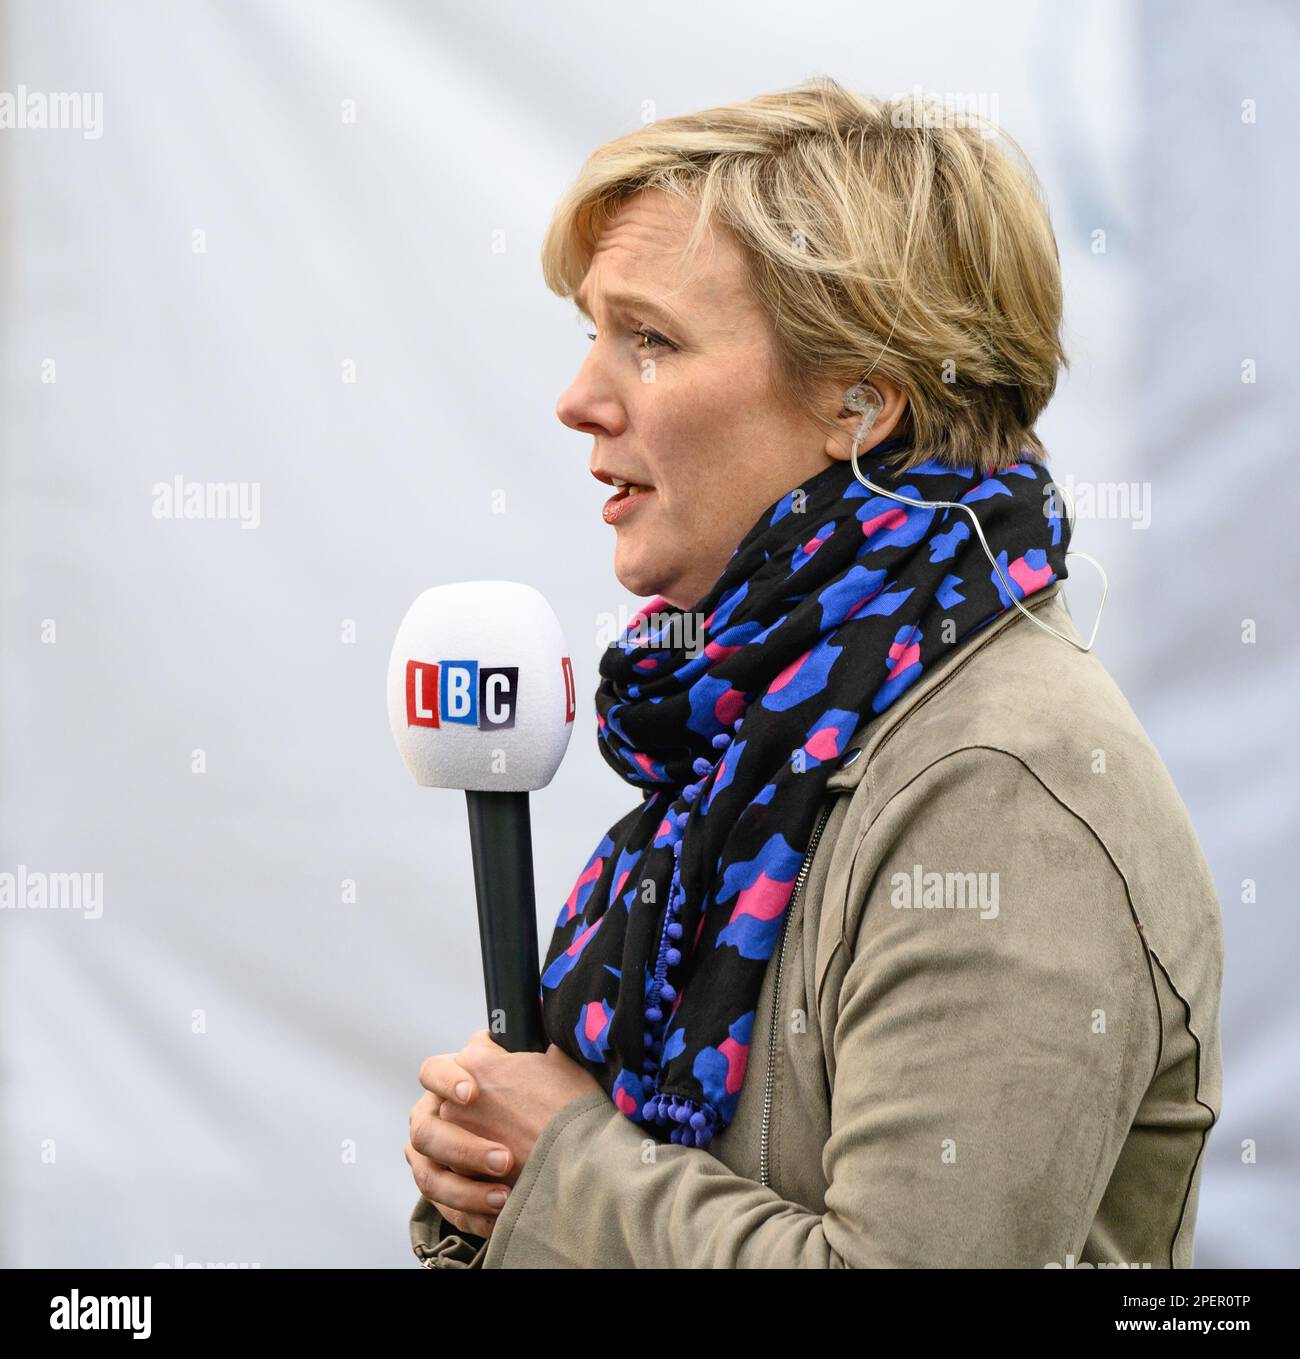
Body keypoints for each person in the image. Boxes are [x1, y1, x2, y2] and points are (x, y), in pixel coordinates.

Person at [403, 76, 1223, 1269]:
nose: (579, 399)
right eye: (592, 333)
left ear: (861, 401)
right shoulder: (755, 728)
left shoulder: (996, 789)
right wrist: (482, 1182)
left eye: (650, 340)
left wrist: (563, 1171)